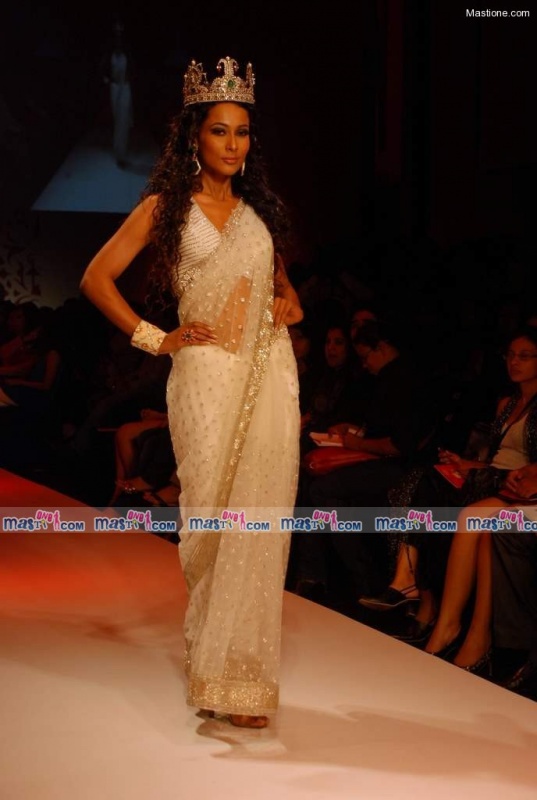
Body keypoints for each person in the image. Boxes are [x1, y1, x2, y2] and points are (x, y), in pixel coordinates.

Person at [80, 56, 302, 728]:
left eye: (242, 132)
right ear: (194, 137)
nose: (232, 144)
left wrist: (285, 306)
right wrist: (156, 338)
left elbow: (287, 296)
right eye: (219, 131)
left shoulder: (259, 214)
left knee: (255, 522)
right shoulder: (166, 209)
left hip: (265, 375)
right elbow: (95, 278)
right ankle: (211, 665)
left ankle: (240, 679)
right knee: (209, 523)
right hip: (203, 376)